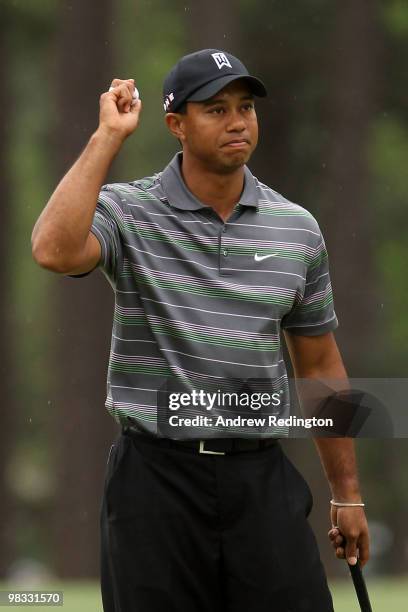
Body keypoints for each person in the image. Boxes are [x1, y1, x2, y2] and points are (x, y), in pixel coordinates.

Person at [32, 49, 370, 612]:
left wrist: (348, 494)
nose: (238, 122)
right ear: (176, 126)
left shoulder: (297, 229)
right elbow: (54, 250)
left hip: (259, 475)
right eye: (215, 109)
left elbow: (318, 367)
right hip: (154, 482)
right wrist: (108, 137)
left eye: (245, 108)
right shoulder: (128, 210)